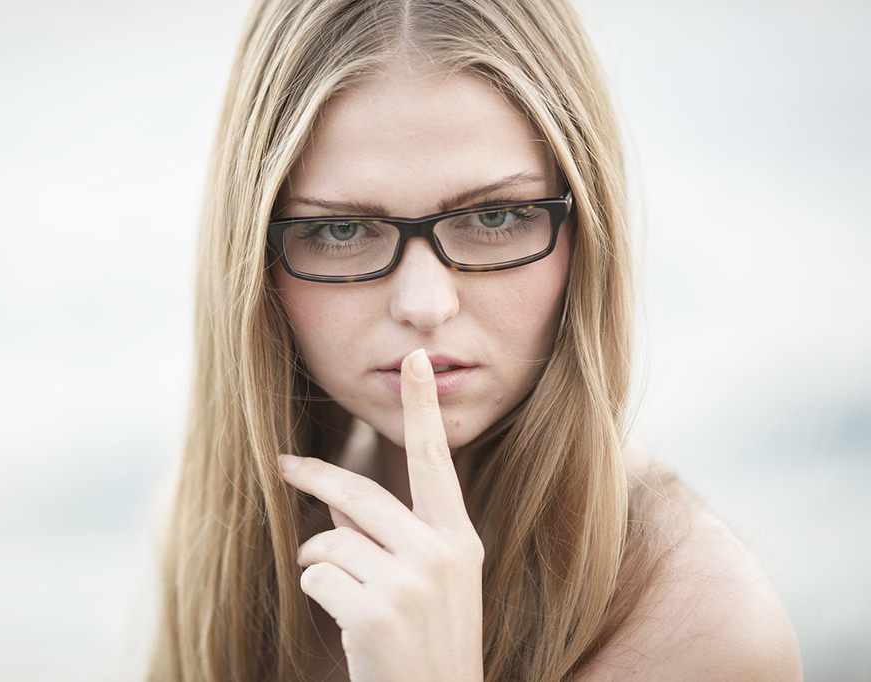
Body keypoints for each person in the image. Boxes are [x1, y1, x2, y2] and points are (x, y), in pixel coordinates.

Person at [147, 0, 803, 680]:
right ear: (256, 260)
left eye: (494, 217)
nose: (425, 305)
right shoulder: (209, 541)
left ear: (586, 230)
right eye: (341, 230)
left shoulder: (704, 634)